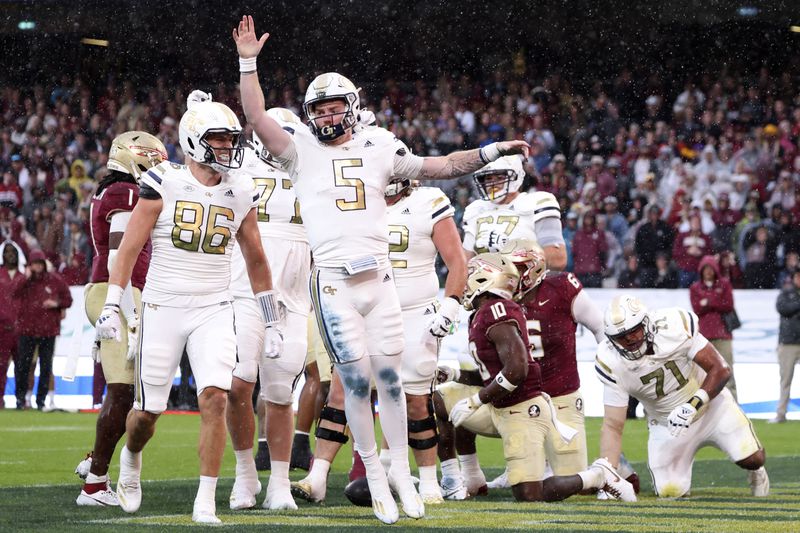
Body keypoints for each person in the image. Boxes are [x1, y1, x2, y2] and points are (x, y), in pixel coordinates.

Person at [234, 15, 529, 525]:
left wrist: (490, 152)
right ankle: (373, 477)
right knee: (353, 382)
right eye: (318, 109)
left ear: (351, 108)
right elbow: (257, 114)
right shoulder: (298, 150)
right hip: (332, 285)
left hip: (381, 281)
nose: (326, 116)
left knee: (390, 382)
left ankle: (398, 475)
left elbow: (440, 167)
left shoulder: (379, 145)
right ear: (309, 115)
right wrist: (247, 62)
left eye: (333, 106)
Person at [94, 100, 281, 524]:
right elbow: (128, 249)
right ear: (195, 140)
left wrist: (271, 319)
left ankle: (206, 500)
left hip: (215, 307)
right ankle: (131, 456)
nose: (228, 146)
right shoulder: (165, 181)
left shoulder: (240, 189)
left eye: (231, 139)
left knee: (215, 397)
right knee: (146, 414)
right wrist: (111, 304)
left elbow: (256, 259)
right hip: (163, 306)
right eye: (219, 138)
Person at [292, 177, 468, 506]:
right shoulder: (354, 202)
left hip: (416, 312)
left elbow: (457, 260)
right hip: (367, 310)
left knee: (416, 398)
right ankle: (317, 476)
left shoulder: (428, 201)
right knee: (342, 391)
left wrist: (452, 303)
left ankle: (428, 481)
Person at [439, 253, 635, 502]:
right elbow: (493, 371)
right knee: (441, 398)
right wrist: (454, 374)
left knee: (531, 495)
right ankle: (462, 479)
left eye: (469, 278)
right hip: (500, 406)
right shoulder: (482, 312)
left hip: (523, 408)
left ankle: (599, 476)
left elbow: (517, 370)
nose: (463, 284)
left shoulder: (496, 311)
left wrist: (475, 400)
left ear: (484, 280)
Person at [224, 103, 311, 512]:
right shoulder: (239, 175)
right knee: (239, 384)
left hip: (295, 297)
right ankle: (245, 474)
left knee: (280, 393)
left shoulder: (312, 173)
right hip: (244, 291)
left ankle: (278, 482)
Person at [596, 295, 769, 498]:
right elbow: (612, 426)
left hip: (711, 407)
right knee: (670, 493)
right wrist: (608, 477)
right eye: (621, 337)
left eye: (634, 331)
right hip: (667, 425)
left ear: (646, 323)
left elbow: (720, 370)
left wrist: (692, 405)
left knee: (753, 458)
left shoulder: (675, 327)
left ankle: (757, 473)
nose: (629, 340)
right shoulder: (610, 361)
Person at [75, 130, 168, 506]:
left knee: (128, 391)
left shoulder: (112, 190)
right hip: (119, 291)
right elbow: (118, 257)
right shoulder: (127, 192)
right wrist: (126, 310)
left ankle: (93, 461)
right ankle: (95, 485)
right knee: (124, 389)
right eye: (154, 159)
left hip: (112, 290)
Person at [461, 154, 566, 269]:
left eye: (499, 178)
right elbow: (464, 265)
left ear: (515, 177)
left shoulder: (536, 203)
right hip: (486, 285)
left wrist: (513, 258)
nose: (492, 184)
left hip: (528, 284)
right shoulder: (476, 210)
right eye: (488, 178)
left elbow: (557, 260)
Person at [11, 249, 72, 410]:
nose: (37, 267)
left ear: (44, 264)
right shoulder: (24, 280)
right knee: (23, 366)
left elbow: (68, 299)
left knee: (45, 367)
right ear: (30, 265)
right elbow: (13, 292)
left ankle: (41, 401)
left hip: (48, 331)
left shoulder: (55, 280)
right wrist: (25, 277)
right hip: (27, 330)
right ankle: (20, 399)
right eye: (34, 264)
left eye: (39, 263)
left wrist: (56, 304)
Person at [689, 255, 737, 400]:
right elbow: (697, 308)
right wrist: (716, 299)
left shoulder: (725, 284)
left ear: (715, 269)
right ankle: (704, 406)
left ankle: (734, 405)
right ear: (701, 270)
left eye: (710, 268)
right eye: (705, 269)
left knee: (728, 370)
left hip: (723, 335)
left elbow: (728, 305)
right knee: (702, 373)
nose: (708, 272)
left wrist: (708, 301)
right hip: (704, 337)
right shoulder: (695, 287)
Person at [773, 266, 800, 423]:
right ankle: (781, 413)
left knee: (785, 380)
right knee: (785, 380)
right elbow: (783, 309)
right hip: (788, 342)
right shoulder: (786, 293)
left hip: (791, 339)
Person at [0, 241, 25, 407]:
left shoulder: (24, 277)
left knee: (21, 367)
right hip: (2, 329)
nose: (10, 254)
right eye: (7, 251)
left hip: (21, 330)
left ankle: (20, 399)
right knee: (1, 366)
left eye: (13, 251)